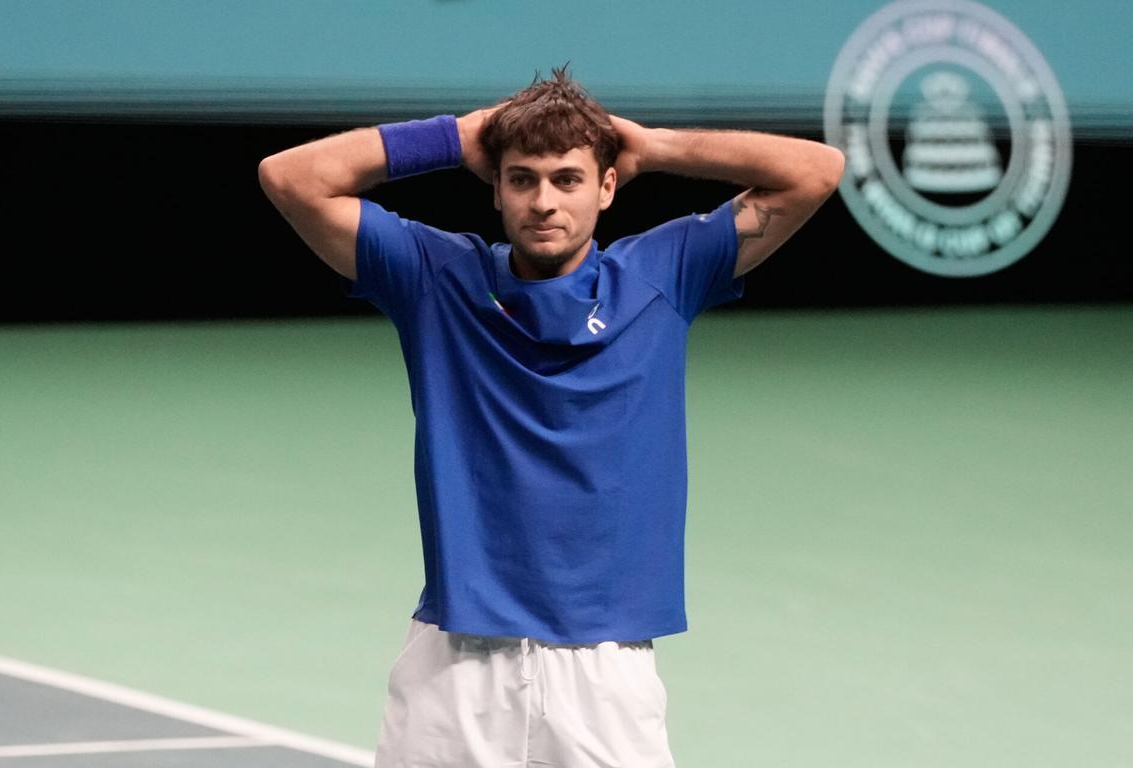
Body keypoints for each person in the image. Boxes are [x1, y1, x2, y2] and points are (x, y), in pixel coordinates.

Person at [258, 68, 844, 768]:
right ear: (496, 188)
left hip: (604, 672)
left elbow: (817, 170)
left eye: (568, 179)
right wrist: (455, 135)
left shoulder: (664, 273)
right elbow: (290, 177)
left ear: (606, 187)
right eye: (522, 179)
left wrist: (654, 145)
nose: (544, 201)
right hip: (458, 664)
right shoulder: (434, 277)